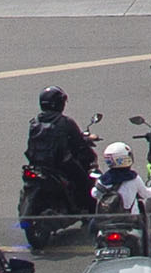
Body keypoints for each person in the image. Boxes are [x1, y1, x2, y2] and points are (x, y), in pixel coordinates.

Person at [21, 86, 98, 224]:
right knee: (85, 182)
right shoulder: (65, 122)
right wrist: (88, 147)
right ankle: (92, 216)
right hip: (60, 165)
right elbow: (79, 144)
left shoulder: (34, 122)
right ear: (58, 103)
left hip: (37, 165)